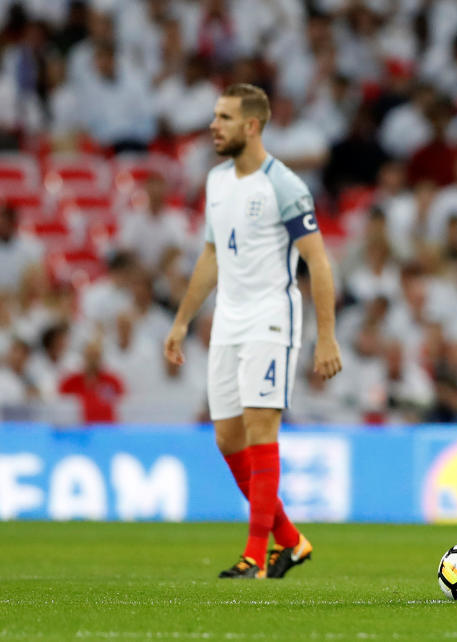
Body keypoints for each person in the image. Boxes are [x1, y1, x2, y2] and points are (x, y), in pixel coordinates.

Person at [163, 84, 341, 580]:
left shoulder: (284, 184)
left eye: (223, 117)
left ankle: (255, 555)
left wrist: (326, 336)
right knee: (227, 438)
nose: (213, 125)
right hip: (228, 320)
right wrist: (182, 321)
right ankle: (291, 540)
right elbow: (212, 255)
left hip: (272, 317)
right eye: (214, 115)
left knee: (262, 430)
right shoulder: (217, 180)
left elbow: (317, 261)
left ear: (252, 126)